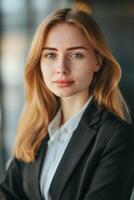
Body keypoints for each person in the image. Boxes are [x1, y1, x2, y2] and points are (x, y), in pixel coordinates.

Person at [0, 7, 134, 200]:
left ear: (97, 60)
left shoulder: (116, 137)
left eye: (76, 55)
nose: (61, 68)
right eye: (50, 55)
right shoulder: (35, 129)